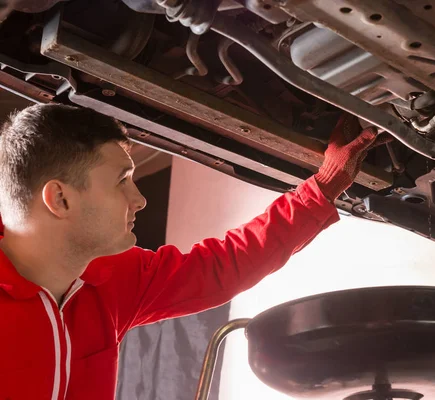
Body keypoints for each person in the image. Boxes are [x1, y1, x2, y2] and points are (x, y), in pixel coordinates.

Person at [0, 103, 378, 400]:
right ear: (60, 199)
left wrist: (325, 186)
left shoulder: (110, 278)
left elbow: (222, 266)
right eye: (121, 182)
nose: (140, 199)